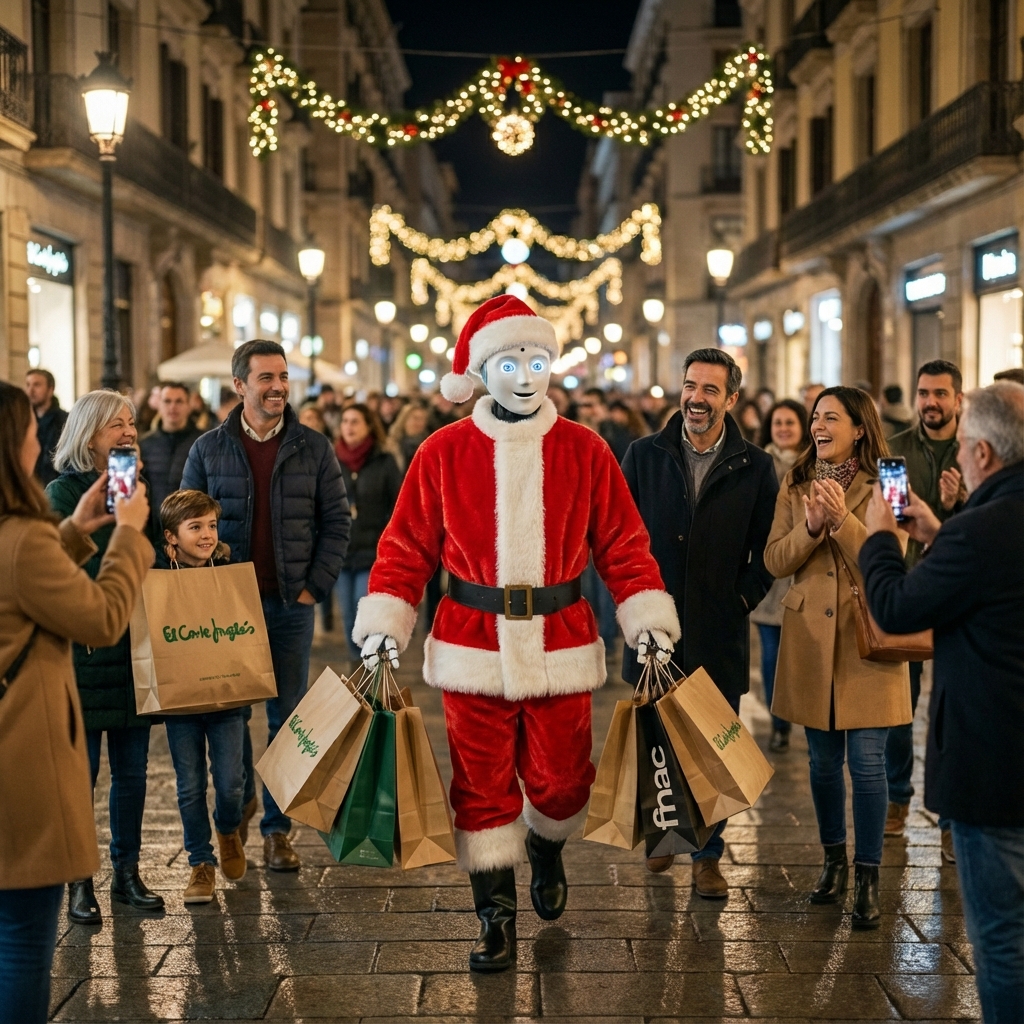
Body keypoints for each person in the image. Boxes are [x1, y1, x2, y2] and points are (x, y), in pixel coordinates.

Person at [352, 295, 679, 972]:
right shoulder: (442, 452)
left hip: (561, 642)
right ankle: (494, 917)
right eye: (510, 360)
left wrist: (645, 616)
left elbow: (623, 542)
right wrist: (387, 619)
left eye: (537, 359)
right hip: (472, 643)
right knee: (481, 783)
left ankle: (547, 844)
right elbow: (405, 545)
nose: (527, 374)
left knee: (563, 784)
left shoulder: (585, 449)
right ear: (481, 371)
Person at [860, 382, 1023, 1023]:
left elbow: (898, 607)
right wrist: (936, 529)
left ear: (982, 453)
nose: (957, 452)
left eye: (961, 446)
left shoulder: (982, 529)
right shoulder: (979, 527)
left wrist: (880, 537)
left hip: (995, 761)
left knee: (1003, 940)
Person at [0, 382, 153, 1024]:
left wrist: (73, 529)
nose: (41, 431)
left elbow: (22, 579)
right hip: (22, 751)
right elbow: (100, 617)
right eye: (30, 425)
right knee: (21, 943)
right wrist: (127, 536)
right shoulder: (20, 533)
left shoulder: (24, 533)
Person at [181, 340, 350, 872]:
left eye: (282, 377)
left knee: (287, 720)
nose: (278, 386)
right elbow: (181, 524)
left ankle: (278, 830)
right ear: (239, 386)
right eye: (265, 378)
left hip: (288, 605)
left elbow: (338, 523)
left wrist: (312, 589)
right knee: (232, 715)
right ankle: (237, 806)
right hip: (226, 611)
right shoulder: (208, 449)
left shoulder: (313, 447)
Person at [622, 348, 778, 892]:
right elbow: (620, 540)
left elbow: (768, 552)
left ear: (731, 399)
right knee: (658, 738)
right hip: (653, 629)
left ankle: (708, 854)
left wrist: (739, 600)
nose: (697, 398)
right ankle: (665, 835)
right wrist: (636, 607)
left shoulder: (755, 466)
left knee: (715, 745)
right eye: (691, 386)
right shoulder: (644, 455)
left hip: (718, 628)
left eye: (711, 389)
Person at [764, 386, 910, 929]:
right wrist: (809, 528)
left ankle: (869, 874)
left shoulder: (891, 477)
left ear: (859, 427)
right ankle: (833, 862)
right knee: (823, 764)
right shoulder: (796, 479)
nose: (818, 425)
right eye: (815, 417)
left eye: (831, 417)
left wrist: (842, 521)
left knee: (868, 764)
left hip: (869, 637)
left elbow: (897, 552)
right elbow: (775, 559)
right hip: (810, 639)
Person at [46, 391, 165, 925]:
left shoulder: (134, 489)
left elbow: (151, 560)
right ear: (89, 434)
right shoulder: (63, 492)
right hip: (85, 654)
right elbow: (70, 572)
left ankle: (127, 872)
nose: (128, 431)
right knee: (81, 775)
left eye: (132, 422)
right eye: (116, 424)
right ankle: (78, 879)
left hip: (133, 651)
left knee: (132, 773)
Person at [884, 359, 964, 856]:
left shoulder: (978, 450)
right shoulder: (896, 451)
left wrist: (958, 504)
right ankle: (898, 797)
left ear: (958, 398)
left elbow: (989, 523)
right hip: (914, 588)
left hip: (961, 593)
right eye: (924, 393)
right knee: (899, 705)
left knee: (955, 707)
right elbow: (893, 520)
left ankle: (953, 816)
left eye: (940, 393)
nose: (930, 402)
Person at [157, 490, 248, 904]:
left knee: (231, 783)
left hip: (228, 697)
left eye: (211, 525)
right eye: (195, 527)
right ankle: (200, 862)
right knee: (189, 785)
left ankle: (227, 830)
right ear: (171, 538)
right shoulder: (157, 578)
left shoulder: (230, 570)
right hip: (182, 703)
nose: (207, 534)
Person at [750, 399, 810, 751]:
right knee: (771, 657)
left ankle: (810, 718)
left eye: (790, 422)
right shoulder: (759, 464)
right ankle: (779, 725)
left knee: (806, 658)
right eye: (778, 422)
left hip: (806, 576)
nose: (784, 428)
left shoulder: (815, 465)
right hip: (770, 577)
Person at [334, 404, 401, 663]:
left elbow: (397, 505)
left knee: (365, 612)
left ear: (368, 426)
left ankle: (369, 662)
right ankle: (357, 663)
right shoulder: (332, 460)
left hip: (373, 551)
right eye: (345, 421)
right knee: (349, 615)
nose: (349, 427)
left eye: (355, 421)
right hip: (342, 551)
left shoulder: (383, 461)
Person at [139, 382, 203, 536]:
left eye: (179, 401)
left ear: (189, 406)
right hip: (153, 530)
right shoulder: (145, 444)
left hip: (191, 528)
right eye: (167, 401)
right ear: (159, 405)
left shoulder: (203, 442)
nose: (172, 407)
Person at [23, 369, 68, 486]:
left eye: (37, 385)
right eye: (28, 385)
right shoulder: (23, 421)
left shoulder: (63, 420)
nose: (30, 391)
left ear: (50, 389)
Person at [387, 400, 429, 473]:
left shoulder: (428, 445)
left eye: (422, 419)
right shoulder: (392, 445)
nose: (419, 423)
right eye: (415, 418)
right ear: (404, 419)